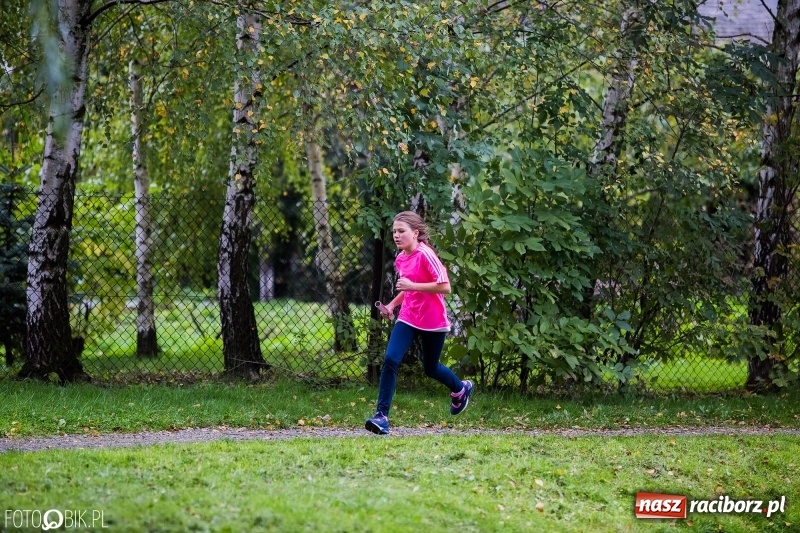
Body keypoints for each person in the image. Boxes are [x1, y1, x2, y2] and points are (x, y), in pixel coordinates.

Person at [365, 211, 474, 435]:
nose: (396, 235)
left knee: (430, 368)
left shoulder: (426, 254)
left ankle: (460, 389)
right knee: (390, 359)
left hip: (433, 320)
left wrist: (413, 286)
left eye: (401, 231)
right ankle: (382, 417)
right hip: (408, 317)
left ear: (415, 233)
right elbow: (407, 289)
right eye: (394, 231)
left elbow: (445, 287)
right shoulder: (400, 258)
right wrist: (393, 305)